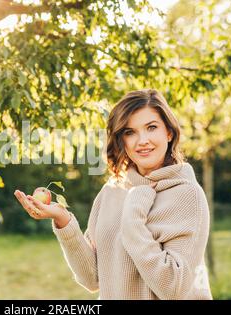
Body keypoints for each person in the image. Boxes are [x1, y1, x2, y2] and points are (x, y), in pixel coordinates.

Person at [14, 89, 212, 300]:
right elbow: (93, 279)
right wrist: (62, 219)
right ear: (121, 140)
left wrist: (134, 214)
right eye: (130, 132)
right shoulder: (112, 190)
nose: (142, 140)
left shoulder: (187, 195)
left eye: (151, 127)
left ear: (169, 132)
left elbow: (173, 288)